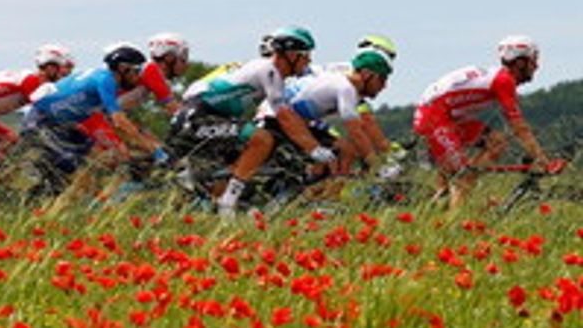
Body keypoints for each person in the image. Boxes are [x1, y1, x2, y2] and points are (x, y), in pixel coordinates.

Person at [178, 26, 331, 215]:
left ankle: (217, 203)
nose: (309, 60)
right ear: (290, 55)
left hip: (209, 115)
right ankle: (228, 203)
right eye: (305, 55)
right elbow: (284, 116)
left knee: (244, 160)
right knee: (262, 139)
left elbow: (287, 115)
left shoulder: (274, 75)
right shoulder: (269, 70)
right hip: (197, 116)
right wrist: (314, 148)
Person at [413, 35, 551, 207]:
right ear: (520, 62)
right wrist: (539, 156)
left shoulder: (499, 77)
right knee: (461, 177)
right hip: (434, 118)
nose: (536, 66)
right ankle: (454, 222)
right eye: (533, 61)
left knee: (496, 142)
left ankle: (446, 198)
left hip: (444, 115)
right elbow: (518, 127)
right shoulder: (504, 81)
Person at [23, 43, 168, 187]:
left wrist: (140, 147)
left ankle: (102, 202)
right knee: (81, 172)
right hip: (41, 124)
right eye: (136, 72)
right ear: (123, 69)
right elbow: (120, 122)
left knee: (108, 160)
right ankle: (64, 204)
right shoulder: (106, 81)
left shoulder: (105, 78)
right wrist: (155, 150)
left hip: (61, 124)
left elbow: (116, 126)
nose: (138, 78)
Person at [264, 48, 396, 176]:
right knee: (344, 152)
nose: (384, 86)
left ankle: (310, 185)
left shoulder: (343, 82)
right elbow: (355, 132)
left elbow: (361, 125)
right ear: (367, 74)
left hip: (289, 118)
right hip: (278, 120)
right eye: (382, 79)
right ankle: (311, 191)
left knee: (343, 151)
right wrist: (378, 167)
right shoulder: (346, 89)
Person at [0, 43, 75, 148]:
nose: (68, 74)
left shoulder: (32, 79)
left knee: (11, 141)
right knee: (11, 140)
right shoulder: (32, 82)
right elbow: (49, 113)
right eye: (66, 68)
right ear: (51, 67)